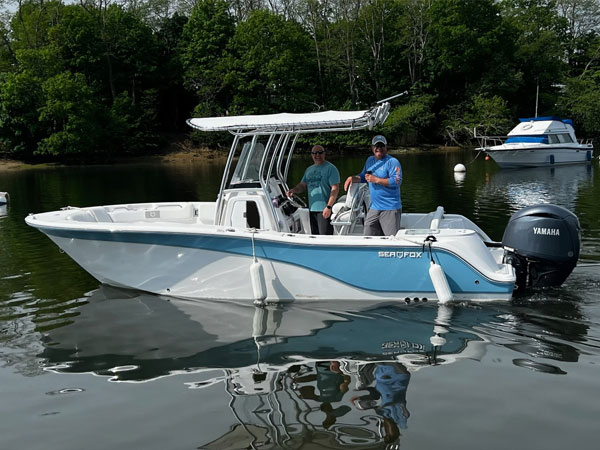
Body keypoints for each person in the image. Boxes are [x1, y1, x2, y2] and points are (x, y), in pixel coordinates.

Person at [343, 135, 402, 236]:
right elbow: (363, 176)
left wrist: (376, 180)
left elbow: (397, 181)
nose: (379, 148)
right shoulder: (370, 160)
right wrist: (352, 178)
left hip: (390, 207)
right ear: (372, 148)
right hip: (374, 207)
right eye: (376, 146)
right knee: (368, 235)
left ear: (386, 147)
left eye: (381, 146)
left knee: (391, 239)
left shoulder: (392, 162)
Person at [286, 145, 340, 235]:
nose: (317, 155)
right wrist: (293, 190)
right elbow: (303, 185)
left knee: (324, 238)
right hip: (312, 209)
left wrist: (329, 207)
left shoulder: (331, 168)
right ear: (311, 155)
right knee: (315, 236)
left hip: (325, 210)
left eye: (320, 152)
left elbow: (335, 188)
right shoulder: (309, 170)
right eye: (314, 153)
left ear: (324, 154)